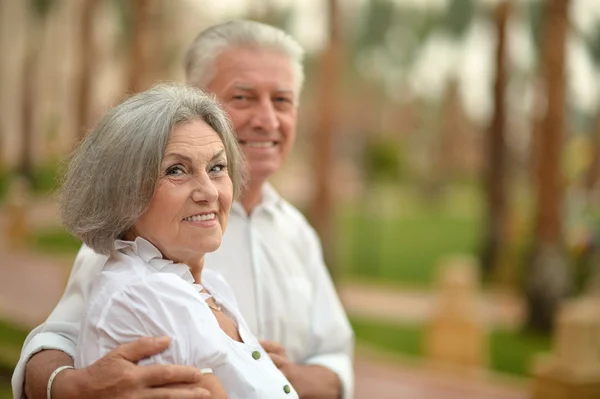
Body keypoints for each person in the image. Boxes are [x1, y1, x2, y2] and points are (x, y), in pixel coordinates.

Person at [13, 20, 353, 399]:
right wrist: (71, 387)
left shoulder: (297, 232)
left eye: (282, 100)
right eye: (243, 97)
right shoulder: (139, 233)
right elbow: (59, 338)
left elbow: (336, 357)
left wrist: (279, 378)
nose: (267, 120)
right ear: (196, 98)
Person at [62, 82, 298, 399]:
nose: (210, 192)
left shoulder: (209, 288)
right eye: (176, 170)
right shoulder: (145, 296)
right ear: (122, 192)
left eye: (217, 167)